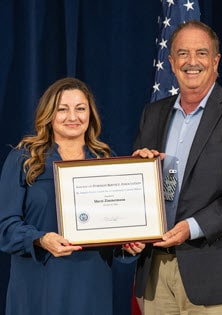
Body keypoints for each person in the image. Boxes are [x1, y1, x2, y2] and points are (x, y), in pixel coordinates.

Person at [132, 20, 222, 315]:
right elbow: (140, 186)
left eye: (201, 53)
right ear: (171, 61)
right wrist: (138, 171)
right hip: (155, 273)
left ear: (215, 61)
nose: (192, 62)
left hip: (215, 272)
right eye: (183, 53)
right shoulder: (152, 114)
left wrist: (191, 228)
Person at [0, 77, 144, 315]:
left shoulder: (106, 160)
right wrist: (40, 239)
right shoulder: (23, 159)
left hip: (91, 286)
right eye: (62, 109)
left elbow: (117, 229)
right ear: (49, 114)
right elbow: (5, 226)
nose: (72, 117)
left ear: (91, 114)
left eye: (80, 109)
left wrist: (129, 244)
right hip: (38, 286)